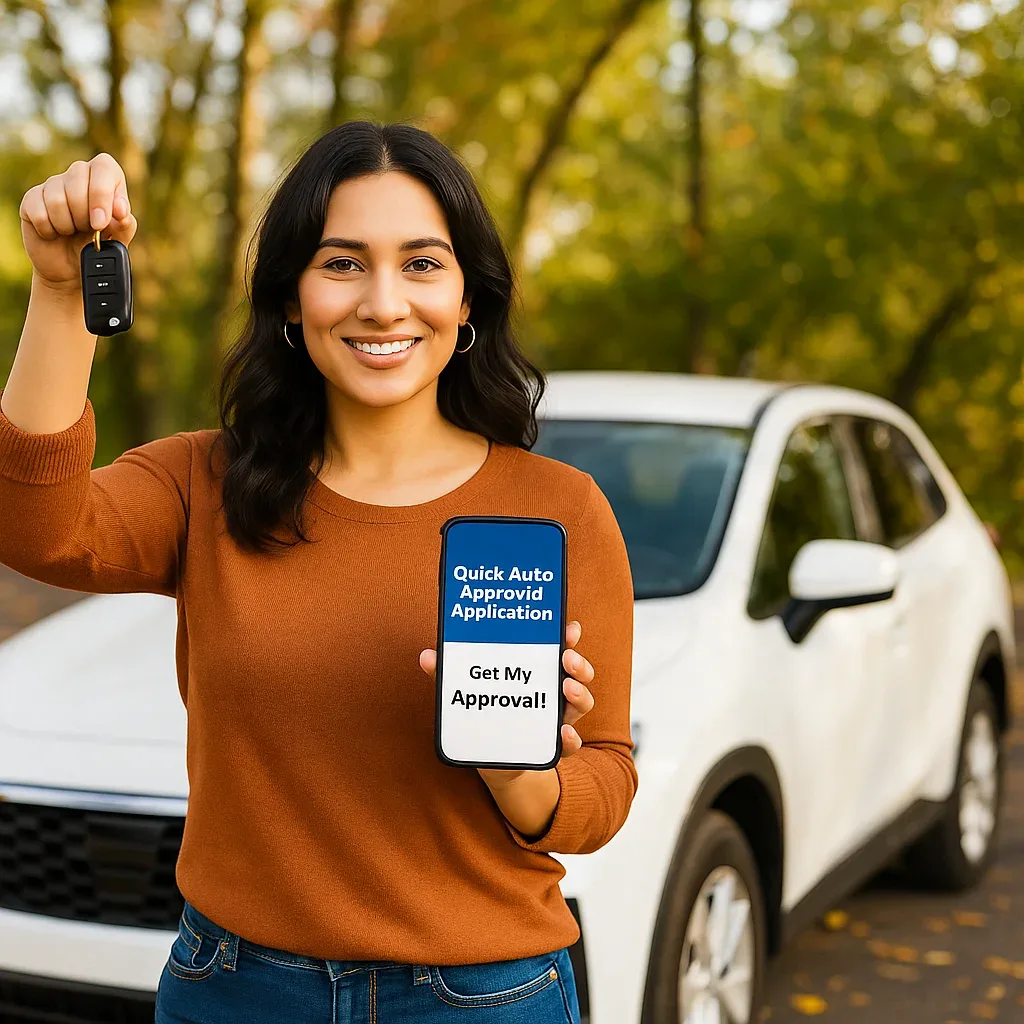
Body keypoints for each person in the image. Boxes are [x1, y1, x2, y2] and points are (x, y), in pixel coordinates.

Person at [0, 121, 637, 1023]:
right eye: (342, 263)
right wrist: (63, 292)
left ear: (468, 302)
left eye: (422, 264)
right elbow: (35, 529)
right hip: (235, 989)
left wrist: (514, 767)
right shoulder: (203, 482)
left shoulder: (560, 510)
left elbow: (601, 791)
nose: (383, 302)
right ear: (291, 301)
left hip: (483, 995)